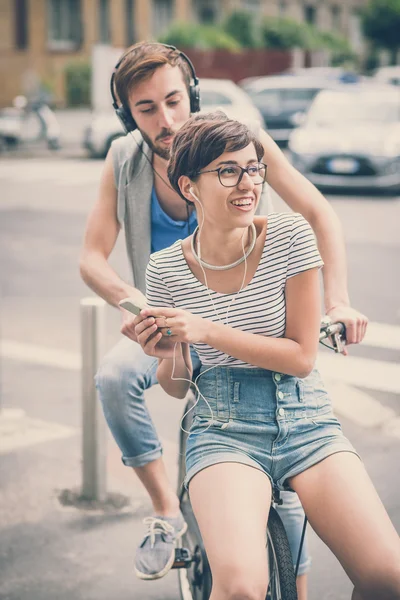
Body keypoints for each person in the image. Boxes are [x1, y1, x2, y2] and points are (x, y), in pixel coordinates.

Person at [79, 42, 368, 593]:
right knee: (116, 376)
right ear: (126, 115)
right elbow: (91, 257)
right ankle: (167, 510)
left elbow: (315, 211)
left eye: (173, 100)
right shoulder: (123, 161)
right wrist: (141, 309)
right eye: (146, 109)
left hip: (260, 318)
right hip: (167, 316)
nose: (165, 120)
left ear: (191, 93)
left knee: (308, 522)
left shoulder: (236, 144)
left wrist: (339, 300)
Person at [135, 112, 400, 600]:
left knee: (387, 577)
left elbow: (302, 357)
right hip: (221, 425)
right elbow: (176, 386)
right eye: (228, 171)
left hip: (306, 417)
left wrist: (205, 329)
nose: (247, 183)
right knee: (239, 588)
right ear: (189, 186)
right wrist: (167, 351)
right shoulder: (165, 268)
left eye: (253, 168)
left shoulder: (290, 236)